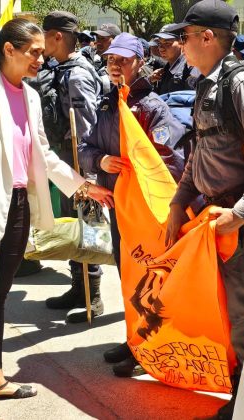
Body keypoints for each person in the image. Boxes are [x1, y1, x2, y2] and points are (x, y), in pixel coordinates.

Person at [0, 18, 113, 420]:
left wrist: (83, 186)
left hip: (18, 205)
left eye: (41, 51)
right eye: (33, 51)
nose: (41, 56)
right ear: (9, 50)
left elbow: (44, 155)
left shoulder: (30, 95)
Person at [164, 1, 244, 417]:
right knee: (225, 310)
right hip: (215, 219)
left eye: (184, 36)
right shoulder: (206, 84)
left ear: (207, 37)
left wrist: (241, 213)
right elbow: (200, 152)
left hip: (242, 224)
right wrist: (180, 202)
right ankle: (241, 391)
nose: (181, 45)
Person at [78, 32, 186, 376]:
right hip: (118, 207)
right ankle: (134, 339)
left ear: (140, 61)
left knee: (149, 281)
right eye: (111, 59)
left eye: (123, 59)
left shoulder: (153, 107)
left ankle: (151, 349)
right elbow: (83, 147)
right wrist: (100, 162)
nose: (115, 65)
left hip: (146, 212)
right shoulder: (106, 102)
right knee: (127, 276)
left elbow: (171, 161)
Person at [38, 11, 106, 322]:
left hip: (80, 163)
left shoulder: (77, 73)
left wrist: (88, 177)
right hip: (65, 161)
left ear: (58, 37)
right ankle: (77, 288)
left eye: (45, 34)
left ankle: (93, 298)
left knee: (87, 227)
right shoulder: (59, 69)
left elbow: (88, 126)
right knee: (72, 226)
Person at [151, 24, 197, 94]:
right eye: (159, 43)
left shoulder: (190, 67)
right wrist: (149, 80)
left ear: (181, 42)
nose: (161, 48)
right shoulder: (163, 71)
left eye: (167, 43)